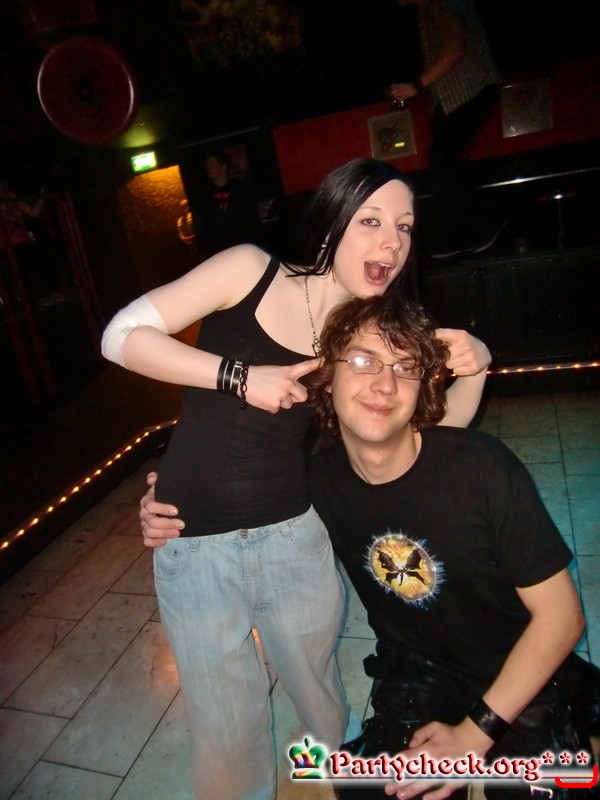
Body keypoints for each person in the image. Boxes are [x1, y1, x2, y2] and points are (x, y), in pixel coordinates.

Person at [101, 157, 492, 800]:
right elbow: (121, 336)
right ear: (334, 220)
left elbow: (427, 437)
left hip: (294, 542)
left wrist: (477, 366)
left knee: (321, 699)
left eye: (404, 226)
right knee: (225, 731)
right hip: (192, 546)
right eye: (371, 220)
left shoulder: (367, 336)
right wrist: (239, 377)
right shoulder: (249, 271)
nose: (391, 241)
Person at [141, 294, 599, 800]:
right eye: (363, 361)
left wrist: (474, 736)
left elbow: (563, 618)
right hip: (417, 667)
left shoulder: (482, 468)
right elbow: (229, 493)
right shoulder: (312, 483)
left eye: (405, 367)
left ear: (423, 388)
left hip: (519, 662)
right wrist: (161, 503)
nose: (385, 384)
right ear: (327, 378)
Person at [387, 0, 504, 259]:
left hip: (469, 90)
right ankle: (463, 234)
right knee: (444, 163)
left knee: (442, 162)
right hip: (462, 95)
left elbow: (455, 48)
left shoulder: (436, 4)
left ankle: (477, 229)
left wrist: (416, 86)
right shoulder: (427, 10)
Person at [191, 148, 262, 258]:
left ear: (223, 167)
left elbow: (252, 220)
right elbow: (201, 226)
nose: (208, 168)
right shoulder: (205, 196)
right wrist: (203, 251)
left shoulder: (240, 191)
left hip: (242, 249)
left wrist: (258, 246)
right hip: (218, 253)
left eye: (212, 165)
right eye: (208, 165)